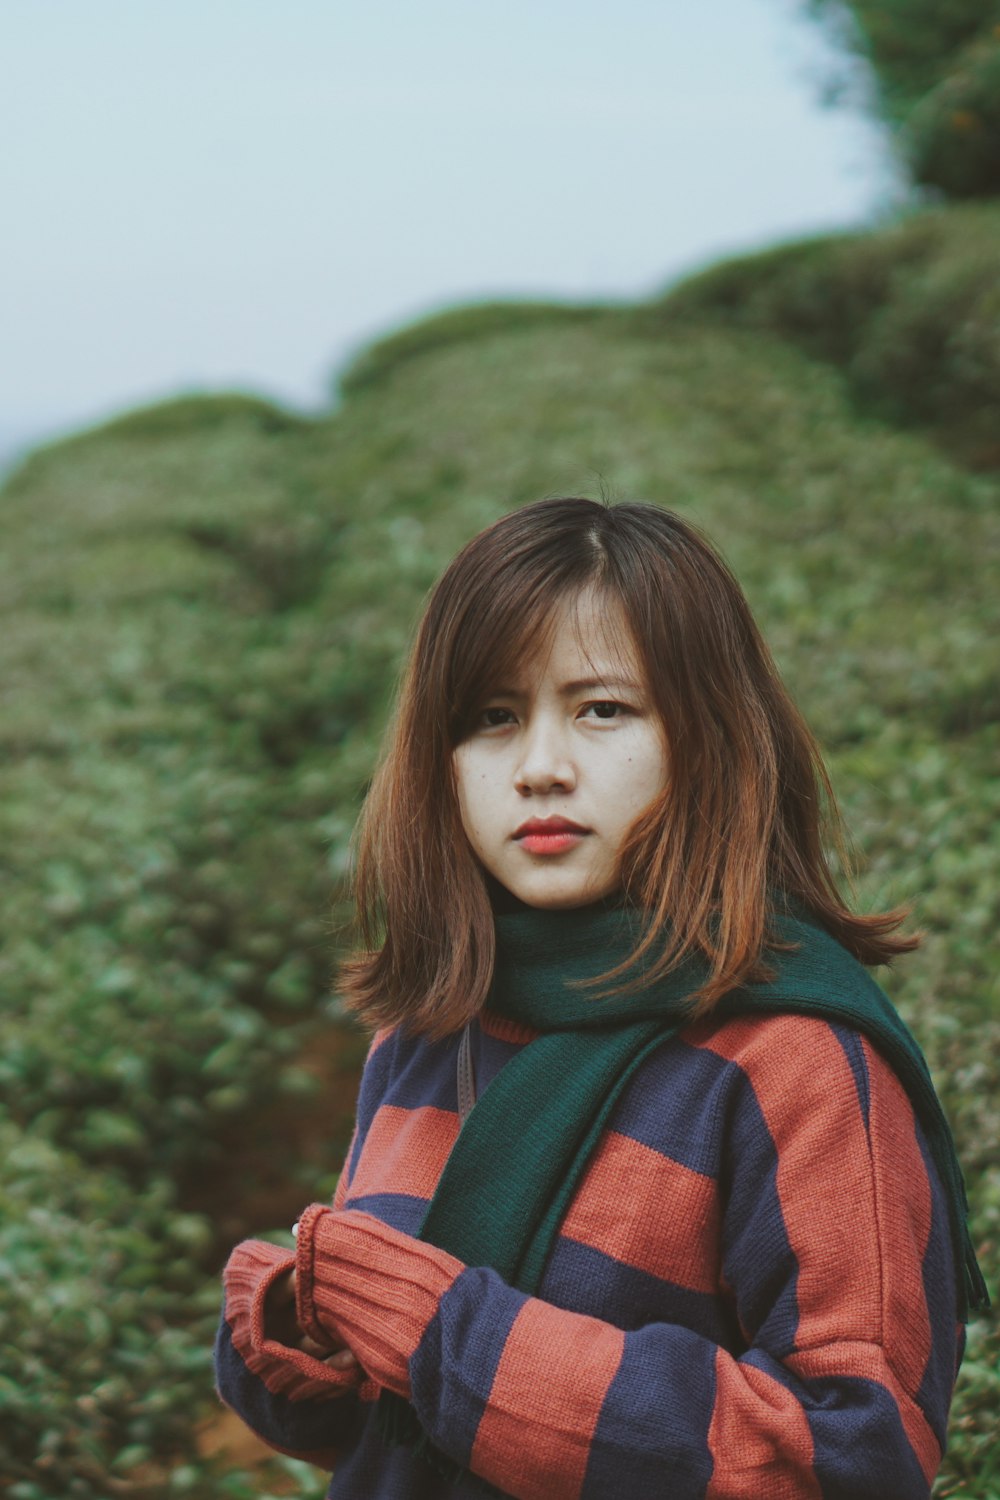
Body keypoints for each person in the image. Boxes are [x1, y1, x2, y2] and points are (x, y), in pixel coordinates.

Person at [214, 497, 986, 1499]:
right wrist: (306, 1340)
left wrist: (451, 1340)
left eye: (602, 709)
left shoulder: (794, 1063)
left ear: (703, 737)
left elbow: (856, 1455)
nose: (540, 767)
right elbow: (409, 1436)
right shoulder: (427, 1025)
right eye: (493, 718)